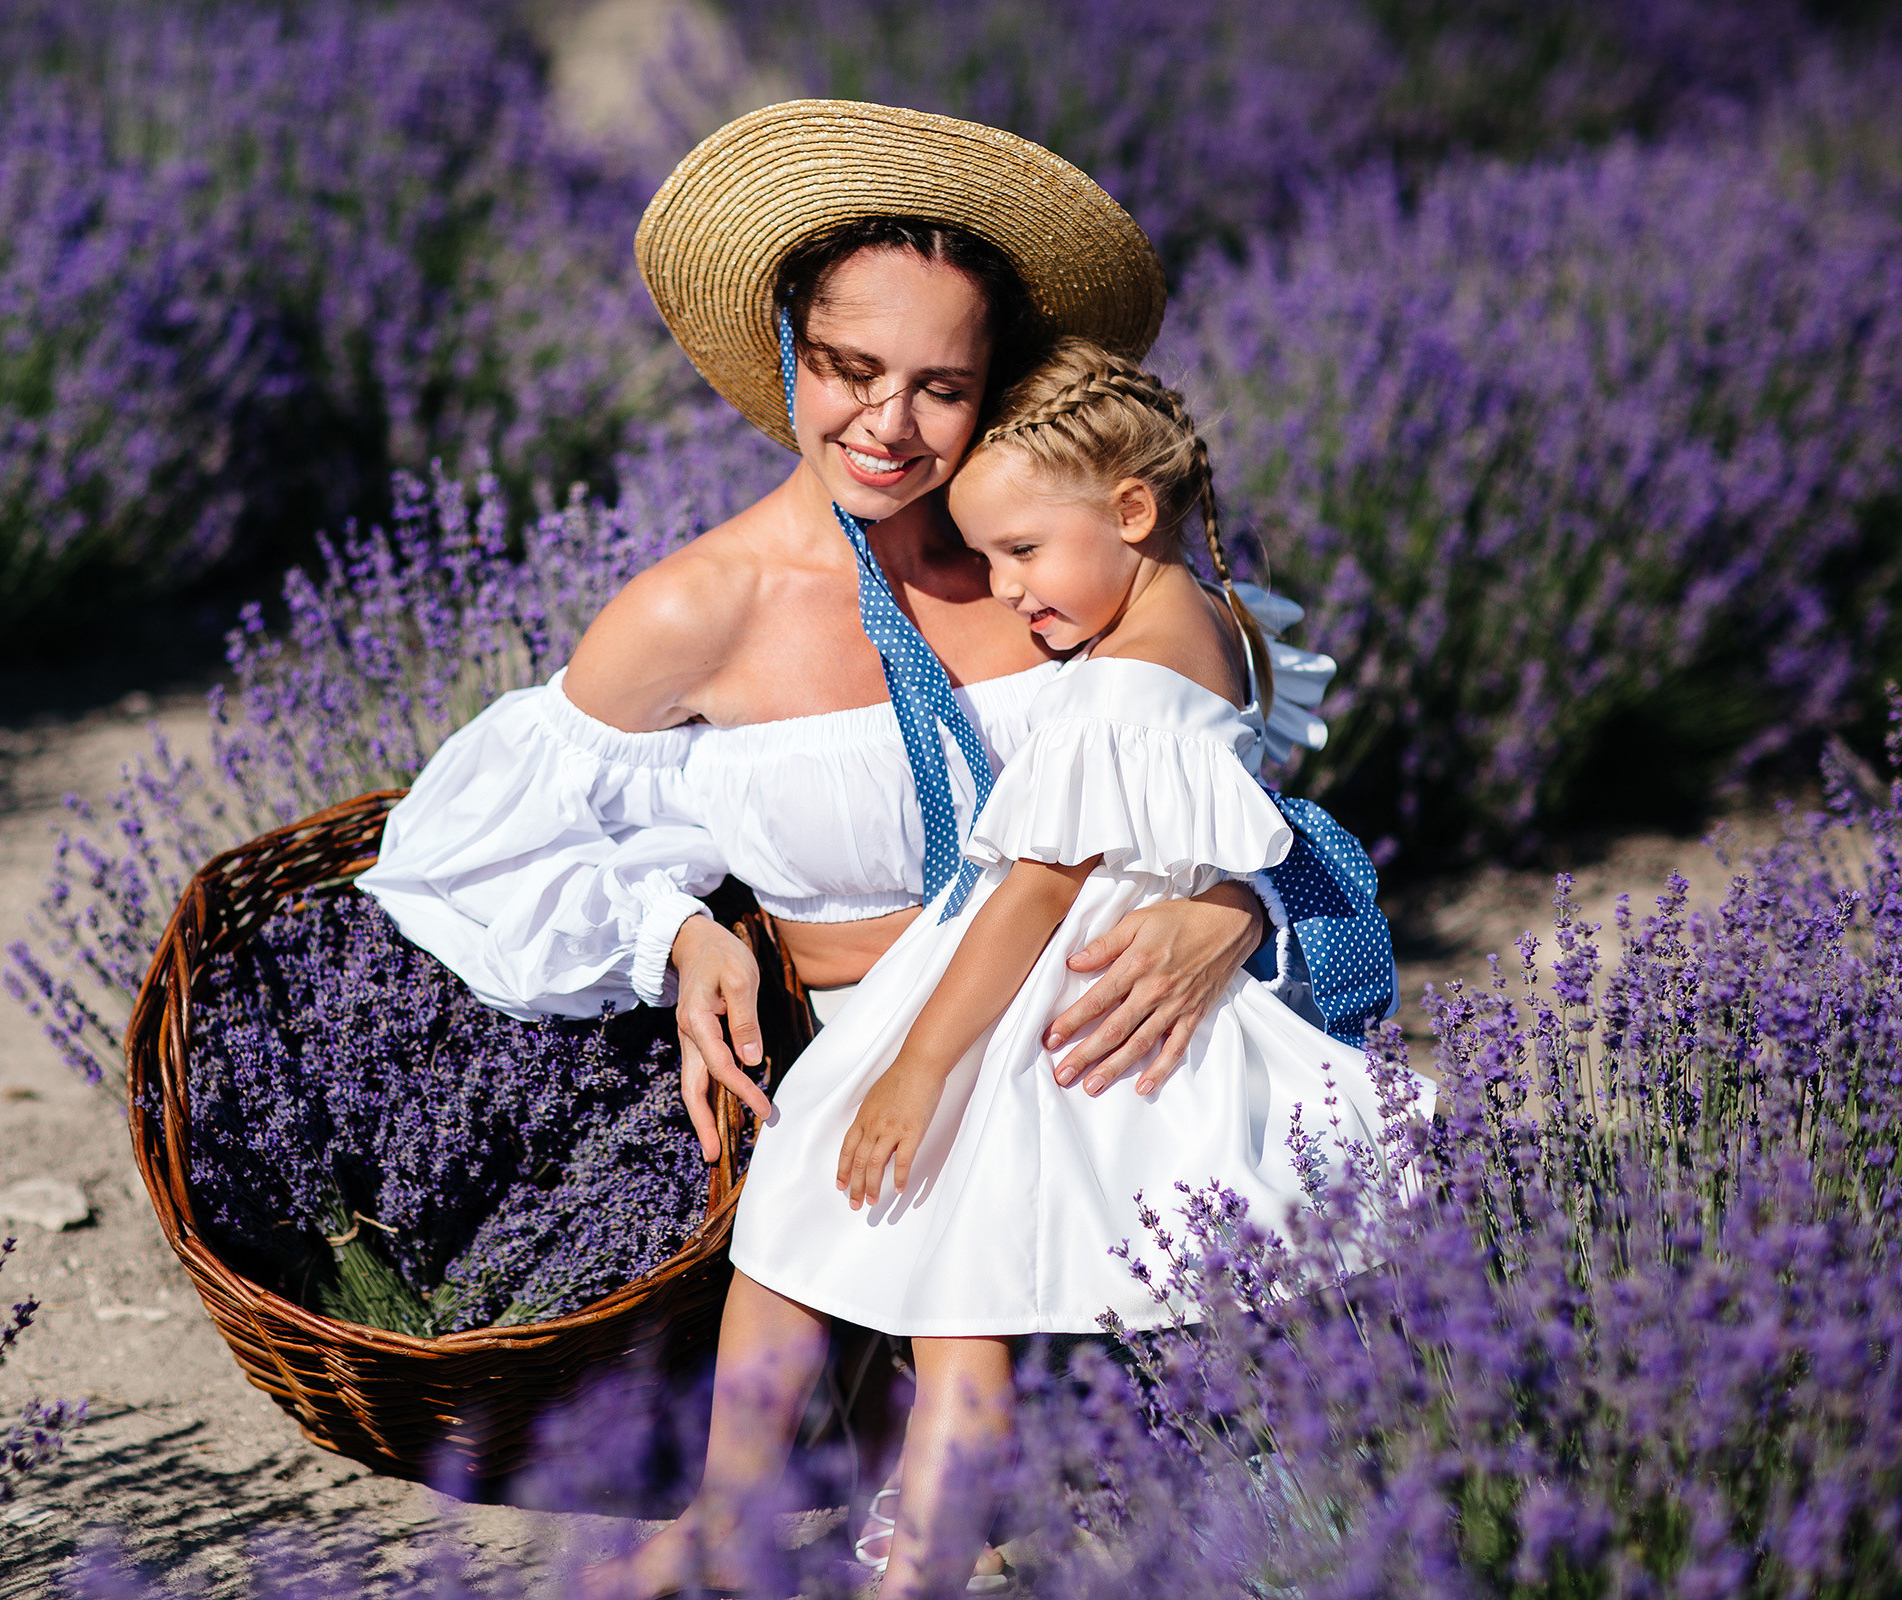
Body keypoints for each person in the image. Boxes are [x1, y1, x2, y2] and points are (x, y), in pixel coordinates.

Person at [360, 101, 1394, 1175]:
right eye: (849, 367)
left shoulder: (1058, 568)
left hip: (1115, 1067)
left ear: (989, 387)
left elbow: (1212, 776)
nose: (887, 425)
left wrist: (1237, 899)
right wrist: (674, 932)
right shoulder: (698, 609)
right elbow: (460, 852)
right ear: (787, 352)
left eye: (940, 387)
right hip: (873, 1101)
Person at [594, 336, 1406, 1599]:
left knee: (845, 1231)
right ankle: (911, 1562)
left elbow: (1031, 894)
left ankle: (756, 1519)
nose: (1009, 590)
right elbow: (1249, 804)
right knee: (959, 1298)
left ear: (1132, 511)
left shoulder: (1118, 690)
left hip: (1025, 1007)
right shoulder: (1217, 628)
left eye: (1024, 554)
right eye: (990, 560)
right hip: (1088, 993)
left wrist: (922, 1067)